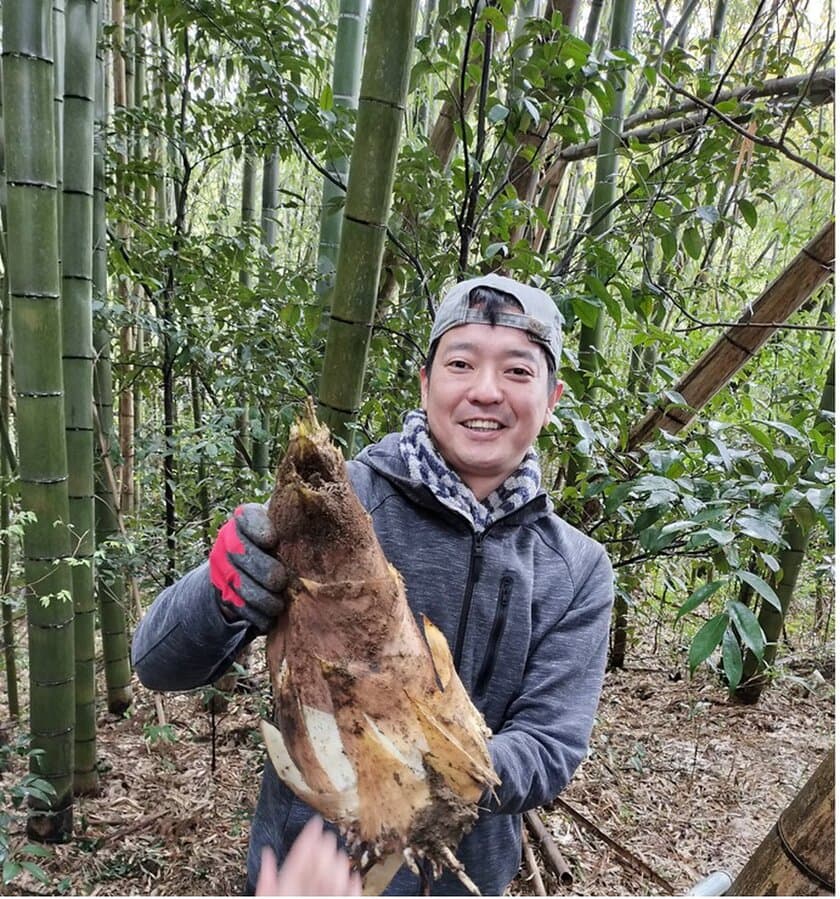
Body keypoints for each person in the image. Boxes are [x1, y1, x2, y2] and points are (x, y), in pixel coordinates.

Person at [132, 273, 614, 896]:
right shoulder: (337, 502)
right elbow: (158, 664)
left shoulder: (574, 567)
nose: (486, 391)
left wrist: (425, 782)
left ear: (552, 399)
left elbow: (550, 746)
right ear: (426, 381)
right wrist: (220, 587)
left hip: (465, 883)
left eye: (518, 372)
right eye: (461, 363)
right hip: (311, 877)